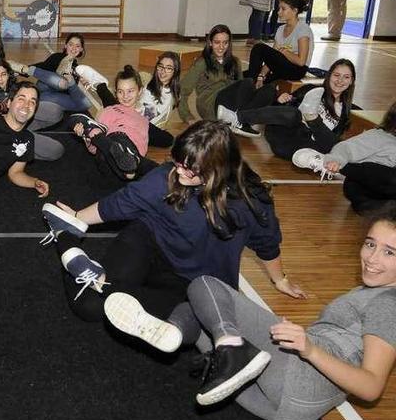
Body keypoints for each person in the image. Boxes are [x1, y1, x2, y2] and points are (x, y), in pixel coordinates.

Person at [39, 120, 304, 355]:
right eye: (178, 163)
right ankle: (67, 240)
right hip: (147, 244)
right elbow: (120, 203)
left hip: (194, 281)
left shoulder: (250, 201)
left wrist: (279, 280)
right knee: (88, 307)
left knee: (182, 334)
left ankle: (104, 283)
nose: (178, 172)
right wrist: (75, 218)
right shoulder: (166, 177)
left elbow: (267, 244)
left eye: (189, 170)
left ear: (216, 170)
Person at [111, 211, 396, 420]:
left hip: (298, 380)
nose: (372, 258)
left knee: (205, 286)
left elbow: (371, 387)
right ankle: (176, 333)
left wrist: (310, 349)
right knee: (205, 312)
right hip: (287, 410)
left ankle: (228, 347)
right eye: (370, 244)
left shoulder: (387, 304)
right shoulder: (377, 293)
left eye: (389, 252)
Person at [218, 58, 355, 158]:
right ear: (329, 75)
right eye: (336, 75)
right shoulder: (311, 90)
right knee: (294, 115)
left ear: (351, 81)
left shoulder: (346, 111)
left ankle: (311, 122)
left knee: (332, 144)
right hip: (283, 135)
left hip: (303, 146)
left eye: (346, 77)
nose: (340, 80)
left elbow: (332, 143)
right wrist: (280, 101)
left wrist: (314, 123)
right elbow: (279, 113)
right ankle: (237, 118)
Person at [292, 100, 396, 215]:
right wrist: (335, 160)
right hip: (363, 190)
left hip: (383, 203)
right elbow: (346, 148)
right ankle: (326, 163)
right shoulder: (381, 137)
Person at [67, 65, 152, 181]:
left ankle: (129, 163)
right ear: (115, 92)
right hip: (106, 156)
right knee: (108, 142)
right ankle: (128, 166)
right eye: (120, 92)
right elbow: (94, 149)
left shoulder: (143, 119)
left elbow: (143, 146)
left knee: (121, 149)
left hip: (128, 152)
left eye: (130, 91)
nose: (125, 96)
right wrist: (85, 138)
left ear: (140, 91)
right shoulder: (109, 111)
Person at [0, 60, 64, 162]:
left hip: (23, 120)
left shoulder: (14, 87)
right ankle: (14, 150)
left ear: (9, 75)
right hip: (7, 133)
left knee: (56, 111)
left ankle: (26, 134)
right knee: (56, 150)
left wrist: (28, 102)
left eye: (3, 74)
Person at [8, 33, 99, 112]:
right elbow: (42, 66)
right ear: (65, 46)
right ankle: (27, 69)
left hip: (52, 96)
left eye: (77, 46)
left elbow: (74, 92)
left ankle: (62, 79)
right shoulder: (57, 57)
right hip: (46, 87)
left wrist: (81, 83)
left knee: (86, 104)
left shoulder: (78, 68)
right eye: (71, 44)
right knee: (62, 82)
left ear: (81, 50)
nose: (74, 48)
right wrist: (22, 71)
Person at [179, 24, 242, 122]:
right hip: (210, 106)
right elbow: (182, 90)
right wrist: (187, 116)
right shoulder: (202, 63)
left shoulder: (235, 62)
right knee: (247, 84)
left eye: (225, 43)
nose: (221, 47)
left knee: (267, 90)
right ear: (210, 43)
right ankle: (238, 119)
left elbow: (240, 89)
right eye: (217, 42)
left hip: (231, 104)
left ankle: (239, 118)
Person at [247, 0, 313, 87]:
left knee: (259, 47)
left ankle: (249, 87)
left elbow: (301, 62)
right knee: (245, 74)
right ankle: (252, 83)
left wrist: (284, 51)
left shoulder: (303, 29)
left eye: (283, 9)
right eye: (279, 9)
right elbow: (271, 58)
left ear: (295, 11)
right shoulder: (280, 29)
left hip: (296, 70)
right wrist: (261, 76)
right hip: (282, 66)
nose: (279, 12)